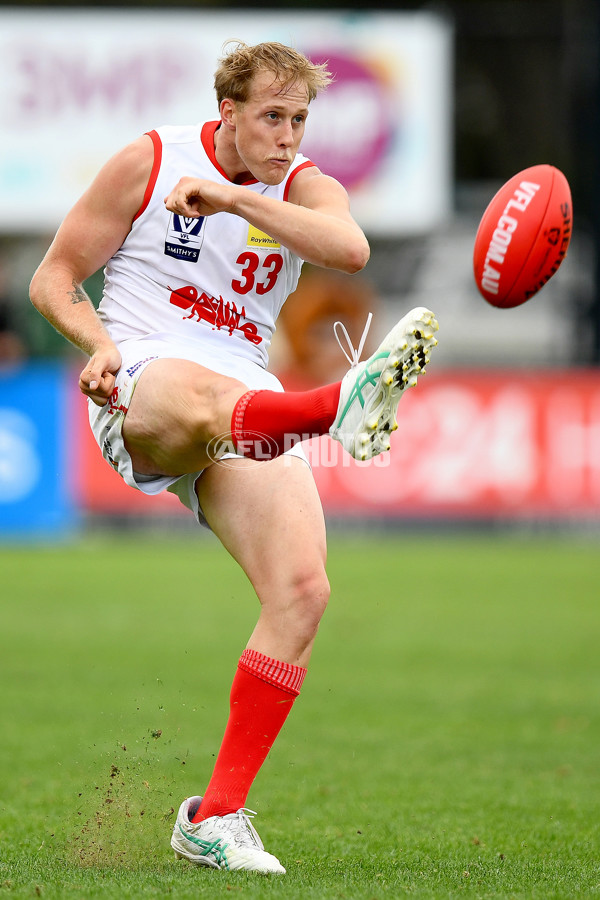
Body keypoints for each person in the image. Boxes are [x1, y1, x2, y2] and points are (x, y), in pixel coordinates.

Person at [29, 40, 439, 875]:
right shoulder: (148, 160)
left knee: (302, 591)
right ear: (228, 113)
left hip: (244, 403)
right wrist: (97, 345)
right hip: (145, 382)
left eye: (298, 119)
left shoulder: (303, 185)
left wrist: (229, 198)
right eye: (271, 117)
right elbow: (54, 278)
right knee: (203, 394)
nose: (288, 137)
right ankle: (336, 408)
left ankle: (213, 817)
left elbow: (348, 249)